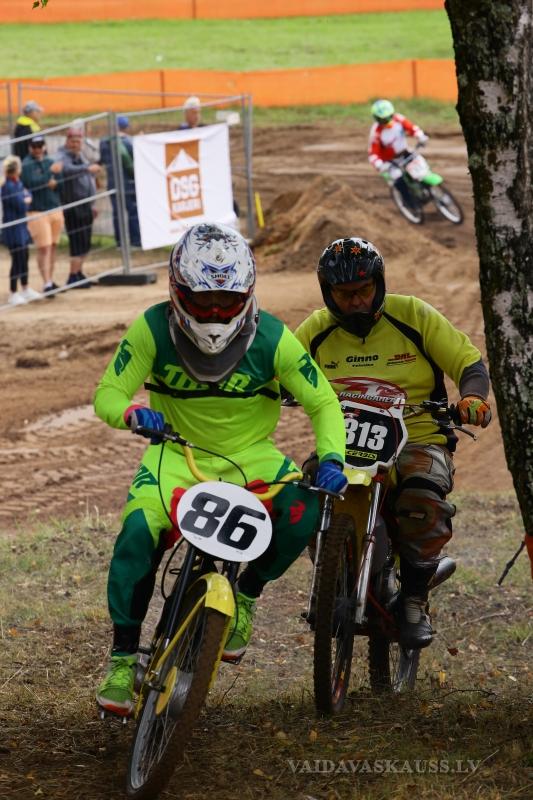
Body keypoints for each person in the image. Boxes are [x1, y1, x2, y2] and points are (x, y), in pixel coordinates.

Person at [93, 222, 347, 716]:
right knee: (136, 535)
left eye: (225, 302)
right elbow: (108, 392)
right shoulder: (151, 327)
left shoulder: (273, 337)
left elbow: (323, 402)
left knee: (304, 510)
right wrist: (131, 413)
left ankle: (247, 596)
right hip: (174, 455)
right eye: (202, 300)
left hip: (251, 457)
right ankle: (122, 659)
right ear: (177, 290)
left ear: (247, 294)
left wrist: (332, 458)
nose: (213, 313)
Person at [294, 237, 492, 650]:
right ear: (327, 292)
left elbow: (468, 362)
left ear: (379, 284)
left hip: (418, 435)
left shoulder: (413, 315)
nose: (356, 302)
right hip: (343, 441)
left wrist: (472, 397)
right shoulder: (314, 330)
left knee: (422, 497)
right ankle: (331, 577)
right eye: (344, 294)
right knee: (308, 486)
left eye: (364, 290)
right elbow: (282, 367)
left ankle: (414, 600)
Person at [54, 125, 101, 288]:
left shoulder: (80, 155)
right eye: (73, 141)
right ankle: (72, 276)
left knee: (85, 242)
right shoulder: (61, 156)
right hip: (73, 206)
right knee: (77, 242)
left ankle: (79, 272)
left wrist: (92, 204)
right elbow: (67, 170)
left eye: (78, 141)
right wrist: (87, 168)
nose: (76, 144)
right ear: (67, 141)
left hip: (86, 205)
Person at [21, 134, 64, 296]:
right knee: (44, 247)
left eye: (40, 146)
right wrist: (48, 175)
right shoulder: (26, 165)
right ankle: (46, 283)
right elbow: (32, 183)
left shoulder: (49, 161)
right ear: (30, 148)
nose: (38, 149)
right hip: (37, 211)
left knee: (52, 246)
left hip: (54, 208)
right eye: (35, 146)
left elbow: (61, 184)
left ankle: (50, 280)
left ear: (44, 147)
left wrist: (56, 183)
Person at [368, 99, 429, 209]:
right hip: (390, 161)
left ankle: (427, 189)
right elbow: (373, 154)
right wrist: (380, 165)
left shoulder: (399, 119)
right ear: (377, 119)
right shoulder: (376, 133)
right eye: (383, 119)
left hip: (405, 152)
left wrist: (420, 136)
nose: (387, 121)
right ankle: (410, 203)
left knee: (420, 167)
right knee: (399, 179)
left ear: (392, 114)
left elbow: (412, 128)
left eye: (389, 117)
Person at [1, 156, 40, 306]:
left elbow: (28, 194)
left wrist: (26, 198)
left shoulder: (17, 183)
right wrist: (26, 200)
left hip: (21, 227)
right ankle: (13, 292)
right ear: (16, 169)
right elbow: (22, 205)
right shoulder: (8, 186)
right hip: (13, 228)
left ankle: (25, 288)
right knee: (17, 259)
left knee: (24, 257)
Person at [98, 115, 141, 248]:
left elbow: (103, 159)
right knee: (133, 212)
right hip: (129, 184)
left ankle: (120, 243)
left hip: (113, 183)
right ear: (126, 127)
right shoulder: (129, 142)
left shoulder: (104, 143)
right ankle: (135, 241)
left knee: (117, 214)